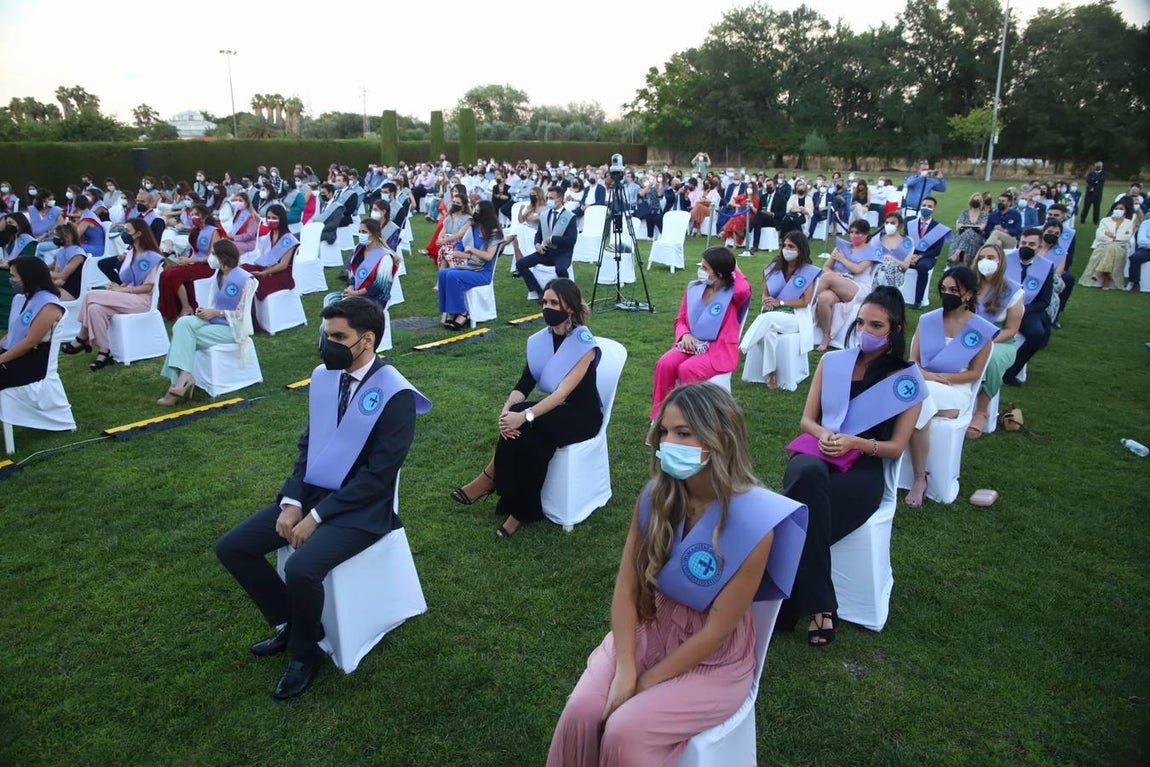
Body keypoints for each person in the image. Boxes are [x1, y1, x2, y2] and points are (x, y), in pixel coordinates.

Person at [547, 382, 808, 767]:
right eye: (665, 432)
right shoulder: (656, 498)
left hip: (712, 660)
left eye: (683, 433)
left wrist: (644, 685)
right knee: (581, 713)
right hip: (647, 632)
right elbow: (626, 588)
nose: (668, 442)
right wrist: (626, 668)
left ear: (720, 438)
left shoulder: (754, 523)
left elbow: (717, 631)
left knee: (624, 729)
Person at [215, 297, 430, 700]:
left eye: (337, 337)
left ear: (367, 340)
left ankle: (304, 655)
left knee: (302, 569)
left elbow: (379, 477)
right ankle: (292, 624)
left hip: (364, 510)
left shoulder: (395, 394)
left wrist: (316, 515)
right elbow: (308, 445)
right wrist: (292, 502)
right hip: (314, 493)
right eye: (326, 335)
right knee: (233, 547)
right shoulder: (327, 376)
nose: (326, 344)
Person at [780, 286, 926, 645]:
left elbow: (895, 448)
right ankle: (820, 606)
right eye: (861, 323)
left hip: (863, 468)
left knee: (803, 512)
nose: (865, 332)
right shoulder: (833, 362)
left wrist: (856, 442)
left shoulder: (905, 382)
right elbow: (807, 422)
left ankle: (786, 599)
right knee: (807, 475)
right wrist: (827, 435)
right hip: (817, 454)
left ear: (894, 330)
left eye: (876, 325)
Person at [450, 279, 601, 539]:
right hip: (555, 412)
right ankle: (520, 510)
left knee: (526, 423)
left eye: (554, 302)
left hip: (581, 417)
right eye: (544, 302)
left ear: (571, 308)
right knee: (533, 442)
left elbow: (562, 393)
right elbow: (526, 381)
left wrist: (524, 415)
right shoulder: (541, 340)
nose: (547, 307)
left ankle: (491, 478)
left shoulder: (583, 344)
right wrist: (507, 411)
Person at [904, 267, 996, 506]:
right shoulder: (929, 320)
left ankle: (919, 478)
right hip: (925, 382)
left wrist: (939, 378)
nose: (947, 294)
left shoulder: (981, 329)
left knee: (917, 399)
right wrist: (927, 376)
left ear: (968, 294)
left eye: (954, 290)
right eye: (944, 289)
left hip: (956, 391)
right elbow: (913, 361)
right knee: (918, 398)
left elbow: (975, 373)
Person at [651, 247, 751, 419]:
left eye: (705, 268)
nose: (700, 271)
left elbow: (744, 289)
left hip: (717, 350)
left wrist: (734, 265)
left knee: (687, 369)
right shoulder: (694, 289)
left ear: (719, 273)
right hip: (691, 344)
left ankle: (689, 419)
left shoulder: (733, 294)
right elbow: (680, 319)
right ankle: (659, 416)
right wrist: (684, 335)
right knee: (664, 364)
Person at [157, 240, 254, 406]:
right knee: (182, 324)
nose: (210, 258)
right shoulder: (217, 275)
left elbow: (242, 315)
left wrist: (216, 312)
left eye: (214, 254)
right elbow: (215, 304)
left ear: (223, 257)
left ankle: (179, 382)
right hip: (214, 321)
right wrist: (206, 311)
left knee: (186, 336)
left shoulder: (245, 279)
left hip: (233, 329)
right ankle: (185, 376)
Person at [62, 219, 163, 369]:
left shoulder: (151, 257)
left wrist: (122, 290)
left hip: (142, 301)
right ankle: (104, 351)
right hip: (129, 296)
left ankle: (82, 336)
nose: (124, 234)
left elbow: (148, 287)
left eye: (127, 231)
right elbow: (129, 280)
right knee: (94, 309)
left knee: (90, 296)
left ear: (139, 234)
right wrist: (118, 287)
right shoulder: (132, 252)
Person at [739, 231, 820, 389]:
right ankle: (771, 373)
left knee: (768, 320)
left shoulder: (807, 271)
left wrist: (780, 302)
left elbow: (804, 302)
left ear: (800, 249)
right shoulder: (775, 266)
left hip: (794, 318)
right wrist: (766, 301)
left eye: (791, 246)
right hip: (774, 315)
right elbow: (765, 293)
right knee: (769, 332)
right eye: (784, 245)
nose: (786, 249)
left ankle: (740, 350)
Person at [965, 243, 1024, 438]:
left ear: (1000, 262)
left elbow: (1012, 329)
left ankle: (981, 410)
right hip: (967, 337)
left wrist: (988, 342)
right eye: (981, 257)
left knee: (990, 360)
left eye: (991, 258)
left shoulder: (1013, 291)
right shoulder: (969, 286)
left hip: (1000, 341)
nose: (985, 262)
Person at [814, 220, 883, 350]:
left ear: (866, 234)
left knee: (828, 277)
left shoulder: (872, 251)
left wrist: (841, 259)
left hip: (858, 286)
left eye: (857, 233)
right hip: (838, 283)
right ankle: (826, 335)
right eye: (851, 232)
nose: (853, 235)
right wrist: (837, 276)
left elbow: (858, 269)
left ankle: (805, 302)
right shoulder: (842, 247)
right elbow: (826, 267)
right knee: (824, 298)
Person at [0, 257, 65, 390]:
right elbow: (13, 333)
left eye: (14, 276)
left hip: (33, 361)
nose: (11, 280)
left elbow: (30, 342)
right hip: (16, 354)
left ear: (28, 277)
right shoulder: (21, 299)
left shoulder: (48, 305)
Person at [438, 200, 503, 330]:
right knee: (443, 273)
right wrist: (470, 256)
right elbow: (456, 252)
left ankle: (462, 312)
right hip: (470, 267)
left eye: (477, 211)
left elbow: (489, 256)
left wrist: (472, 250)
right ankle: (451, 311)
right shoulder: (472, 228)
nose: (474, 213)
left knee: (452, 276)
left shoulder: (494, 233)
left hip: (483, 272)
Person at [1002, 229, 1054, 386]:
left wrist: (1023, 311)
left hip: (1028, 310)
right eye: (1023, 243)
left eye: (1031, 244)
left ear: (1039, 246)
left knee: (1037, 334)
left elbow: (1044, 300)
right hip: (1002, 307)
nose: (1026, 247)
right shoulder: (1004, 258)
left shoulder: (1046, 266)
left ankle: (1011, 372)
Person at [158, 204, 226, 319]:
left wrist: (190, 260)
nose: (193, 217)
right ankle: (169, 310)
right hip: (193, 262)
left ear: (204, 216)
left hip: (207, 266)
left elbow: (212, 257)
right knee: (166, 273)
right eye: (192, 214)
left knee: (173, 275)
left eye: (196, 215)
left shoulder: (214, 231)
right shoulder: (196, 230)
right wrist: (188, 260)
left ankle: (186, 307)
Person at [516, 187, 578, 299]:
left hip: (562, 253)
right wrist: (537, 244)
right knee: (521, 264)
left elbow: (572, 239)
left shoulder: (569, 217)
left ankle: (567, 294)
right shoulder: (544, 214)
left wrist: (554, 239)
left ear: (560, 199)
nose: (548, 200)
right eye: (547, 197)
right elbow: (538, 234)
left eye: (551, 198)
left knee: (560, 269)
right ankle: (539, 292)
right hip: (546, 252)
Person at [325, 218, 396, 315]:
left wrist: (356, 293)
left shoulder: (385, 257)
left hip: (376, 298)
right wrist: (351, 287)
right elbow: (353, 274)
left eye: (364, 232)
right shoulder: (358, 250)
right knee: (329, 300)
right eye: (359, 232)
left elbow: (380, 286)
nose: (361, 235)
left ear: (374, 235)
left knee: (342, 309)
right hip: (356, 293)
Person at [240, 204, 298, 308]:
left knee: (251, 281)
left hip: (282, 275)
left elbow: (283, 265)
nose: (271, 220)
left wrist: (264, 272)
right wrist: (262, 270)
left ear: (282, 219)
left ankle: (252, 314)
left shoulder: (288, 239)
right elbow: (264, 258)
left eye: (274, 218)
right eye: (269, 218)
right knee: (242, 269)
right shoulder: (269, 236)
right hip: (266, 268)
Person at [903, 196, 952, 308]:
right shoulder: (910, 223)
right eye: (924, 205)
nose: (926, 208)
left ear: (934, 209)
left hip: (928, 256)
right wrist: (911, 256)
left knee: (923, 267)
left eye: (929, 206)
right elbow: (906, 242)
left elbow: (936, 250)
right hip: (910, 254)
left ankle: (918, 300)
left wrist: (919, 257)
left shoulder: (939, 228)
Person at [1084, 200, 1136, 290]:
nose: (1118, 210)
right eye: (1116, 208)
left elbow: (1126, 237)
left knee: (1112, 247)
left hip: (1120, 246)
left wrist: (1111, 235)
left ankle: (1098, 272)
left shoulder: (1129, 223)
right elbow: (1099, 235)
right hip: (1104, 245)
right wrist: (1114, 238)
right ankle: (1106, 280)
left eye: (1121, 209)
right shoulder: (1105, 220)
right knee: (1111, 248)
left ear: (1125, 211)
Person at [46, 223, 87, 300]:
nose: (56, 238)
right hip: (62, 286)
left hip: (72, 290)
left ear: (68, 238)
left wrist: (44, 273)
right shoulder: (61, 251)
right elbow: (57, 274)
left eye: (58, 236)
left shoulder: (77, 254)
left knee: (44, 298)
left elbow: (62, 275)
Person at [948, 193, 988, 266]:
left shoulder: (984, 214)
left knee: (969, 231)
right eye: (974, 200)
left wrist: (966, 226)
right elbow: (959, 226)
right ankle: (965, 261)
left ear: (981, 202)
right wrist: (974, 226)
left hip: (977, 237)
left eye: (978, 200)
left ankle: (957, 253)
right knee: (968, 234)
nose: (976, 201)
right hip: (962, 236)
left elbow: (981, 228)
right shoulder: (964, 212)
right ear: (971, 201)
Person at [228, 192, 259, 259]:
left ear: (247, 202)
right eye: (236, 200)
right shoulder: (238, 212)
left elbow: (250, 235)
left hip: (248, 242)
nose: (237, 202)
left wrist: (234, 237)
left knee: (228, 246)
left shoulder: (251, 216)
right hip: (237, 239)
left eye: (240, 200)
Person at [1126, 208, 1150, 291]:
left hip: (1147, 247)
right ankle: (1135, 283)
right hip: (1146, 250)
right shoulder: (1146, 224)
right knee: (1135, 257)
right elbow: (1141, 241)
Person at [1080, 161, 1107, 225]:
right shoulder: (1090, 173)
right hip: (1089, 194)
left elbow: (1101, 180)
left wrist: (1094, 180)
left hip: (1097, 194)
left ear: (1102, 166)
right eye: (1097, 165)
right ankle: (1082, 219)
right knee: (1086, 207)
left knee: (1096, 208)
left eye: (1099, 166)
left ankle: (1096, 221)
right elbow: (1088, 180)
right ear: (1095, 166)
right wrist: (1096, 181)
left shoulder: (1104, 173)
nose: (1098, 167)